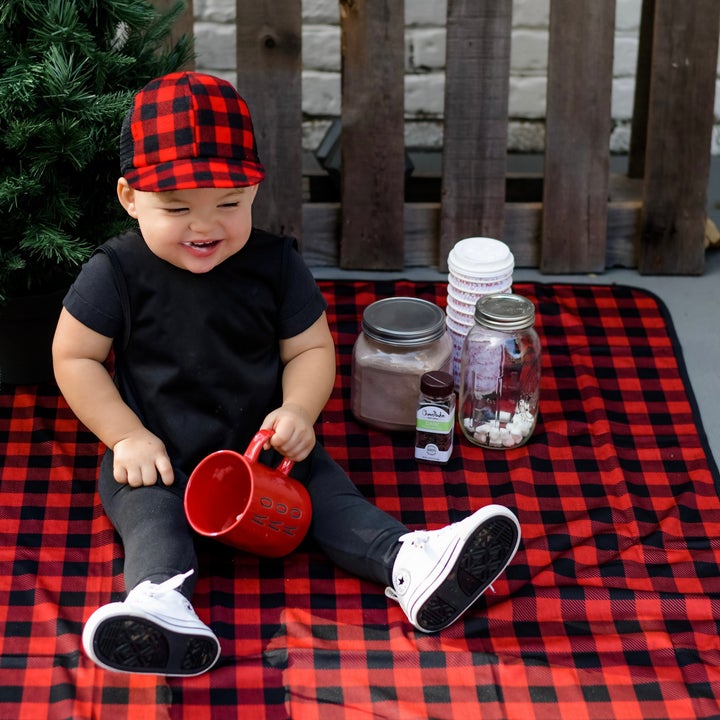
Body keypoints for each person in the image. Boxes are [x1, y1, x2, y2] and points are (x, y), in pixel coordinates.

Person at [52, 71, 522, 677]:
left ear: (254, 188)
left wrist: (298, 411)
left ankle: (411, 561)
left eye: (229, 204)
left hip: (268, 452)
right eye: (177, 208)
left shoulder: (274, 265)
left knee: (331, 498)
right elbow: (74, 356)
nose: (204, 226)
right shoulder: (115, 270)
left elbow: (311, 350)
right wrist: (125, 436)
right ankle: (158, 605)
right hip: (158, 457)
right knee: (152, 520)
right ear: (129, 197)